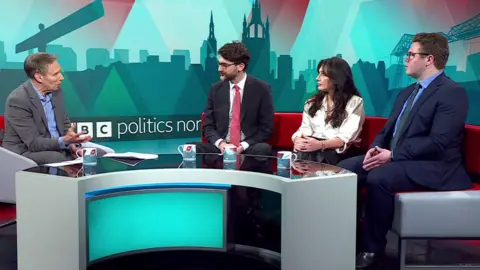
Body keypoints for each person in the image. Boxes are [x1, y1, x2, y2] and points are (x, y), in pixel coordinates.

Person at [337, 33, 472, 268]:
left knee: (380, 177)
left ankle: (372, 249)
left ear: (429, 59)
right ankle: (345, 239)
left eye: (411, 55)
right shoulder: (406, 93)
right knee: (346, 168)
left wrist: (393, 156)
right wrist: (375, 149)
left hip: (436, 167)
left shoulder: (451, 92)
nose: (405, 59)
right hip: (401, 159)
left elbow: (438, 142)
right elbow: (387, 131)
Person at [3, 53, 92, 165]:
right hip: (24, 152)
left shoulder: (57, 92)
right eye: (56, 74)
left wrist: (72, 146)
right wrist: (65, 141)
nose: (62, 78)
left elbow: (65, 125)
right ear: (39, 77)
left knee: (99, 153)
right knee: (56, 158)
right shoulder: (18, 100)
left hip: (56, 147)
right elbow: (34, 143)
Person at [197, 41, 274, 156]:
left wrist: (242, 146)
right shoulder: (215, 89)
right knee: (191, 148)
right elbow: (208, 126)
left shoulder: (261, 89)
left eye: (224, 65)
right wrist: (221, 144)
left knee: (263, 149)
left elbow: (266, 128)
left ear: (240, 66)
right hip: (222, 146)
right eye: (219, 64)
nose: (219, 69)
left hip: (248, 146)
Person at [292, 57, 365, 164]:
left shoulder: (354, 102)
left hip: (339, 152)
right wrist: (298, 140)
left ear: (336, 78)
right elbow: (304, 130)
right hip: (313, 149)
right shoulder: (311, 103)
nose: (317, 78)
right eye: (318, 73)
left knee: (309, 155)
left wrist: (320, 145)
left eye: (323, 74)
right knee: (304, 151)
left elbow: (346, 138)